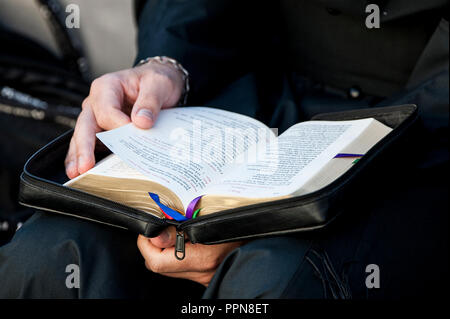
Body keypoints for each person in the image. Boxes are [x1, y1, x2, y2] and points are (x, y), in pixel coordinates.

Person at [0, 0, 448, 298]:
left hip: (423, 135)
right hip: (244, 99)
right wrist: (166, 64)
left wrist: (271, 214)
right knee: (47, 257)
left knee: (271, 281)